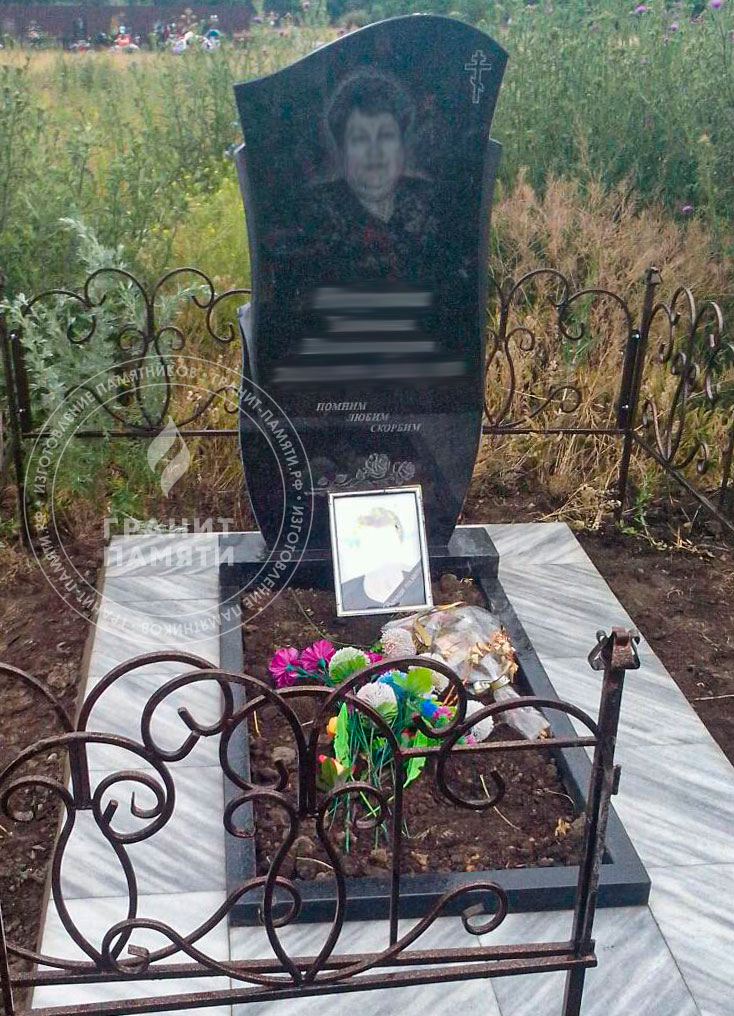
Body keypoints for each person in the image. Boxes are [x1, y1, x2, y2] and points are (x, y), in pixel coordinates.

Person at [304, 68, 441, 285]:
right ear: (342, 150)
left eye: (386, 136)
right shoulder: (315, 212)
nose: (375, 152)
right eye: (360, 139)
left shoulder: (432, 201)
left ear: (401, 145)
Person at [339, 506, 426, 613]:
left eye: (387, 544)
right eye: (372, 544)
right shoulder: (345, 594)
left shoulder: (421, 586)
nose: (381, 553)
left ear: (399, 543)